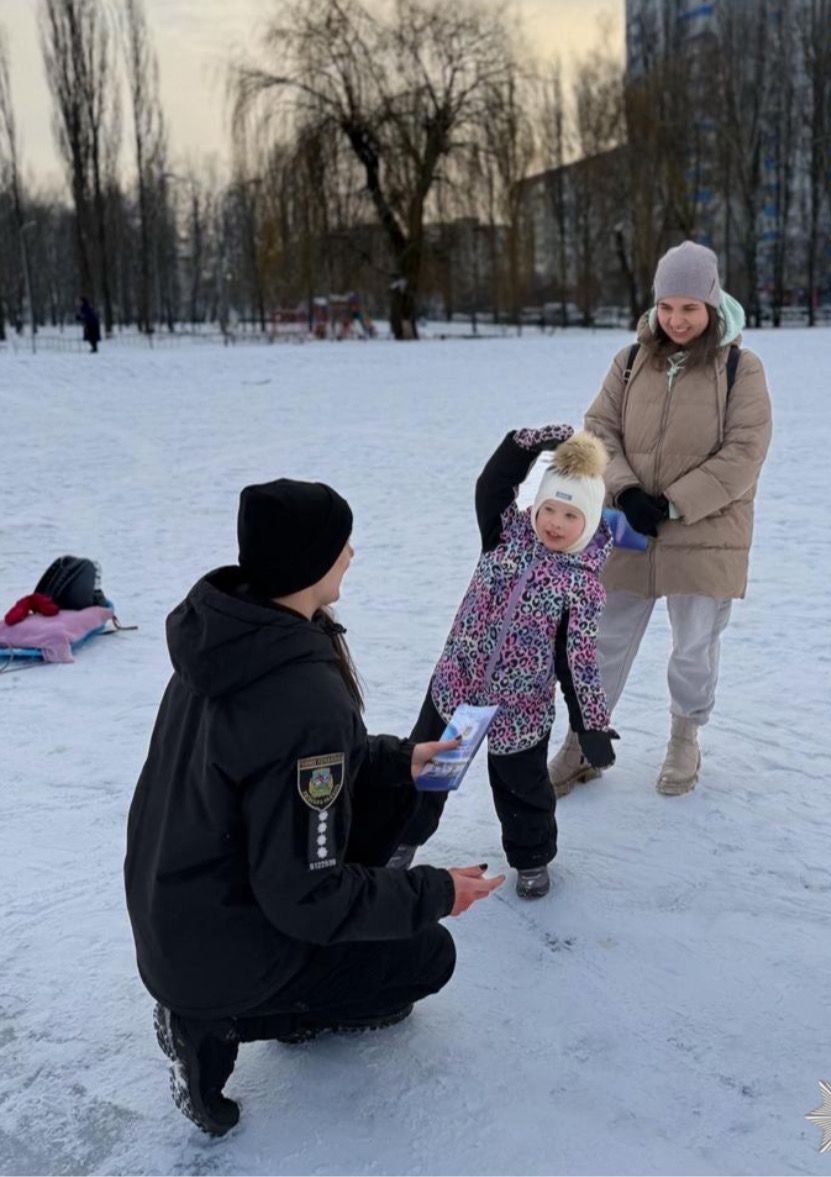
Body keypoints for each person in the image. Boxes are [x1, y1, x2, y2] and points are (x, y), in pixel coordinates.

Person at [124, 478, 503, 1137]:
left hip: (176, 915)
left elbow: (274, 763)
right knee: (425, 958)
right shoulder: (302, 697)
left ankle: (213, 1002)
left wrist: (398, 759)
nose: (351, 553)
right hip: (218, 950)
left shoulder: (226, 639)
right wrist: (435, 891)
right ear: (308, 562)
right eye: (340, 543)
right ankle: (217, 1022)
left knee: (384, 798)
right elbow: (307, 897)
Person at [549, 240, 772, 797]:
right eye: (667, 307)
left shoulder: (740, 368)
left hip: (706, 530)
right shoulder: (630, 361)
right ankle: (584, 743)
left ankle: (683, 738)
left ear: (712, 304)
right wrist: (625, 490)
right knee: (602, 640)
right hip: (630, 528)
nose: (677, 320)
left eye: (690, 308)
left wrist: (672, 503)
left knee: (694, 645)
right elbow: (599, 428)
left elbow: (745, 451)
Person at [390, 426, 618, 899]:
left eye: (570, 515)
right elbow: (492, 485)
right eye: (549, 508)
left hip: (521, 706)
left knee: (522, 788)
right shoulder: (503, 535)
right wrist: (522, 445)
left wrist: (591, 725)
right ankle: (402, 840)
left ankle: (532, 859)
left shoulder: (581, 586)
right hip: (458, 686)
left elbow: (577, 660)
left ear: (589, 522)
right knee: (430, 770)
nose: (555, 523)